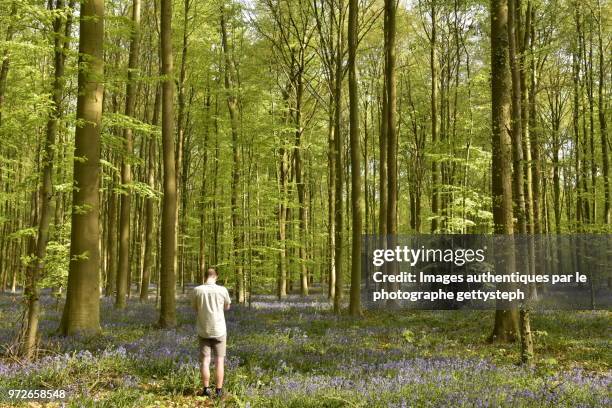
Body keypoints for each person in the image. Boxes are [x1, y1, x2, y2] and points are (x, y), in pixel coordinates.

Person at [192, 267, 231, 398]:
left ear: (205, 276)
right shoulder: (222, 290)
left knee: (205, 361)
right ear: (216, 277)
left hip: (203, 330)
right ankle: (219, 391)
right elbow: (227, 307)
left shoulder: (197, 290)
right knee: (219, 361)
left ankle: (206, 389)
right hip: (220, 330)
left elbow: (195, 308)